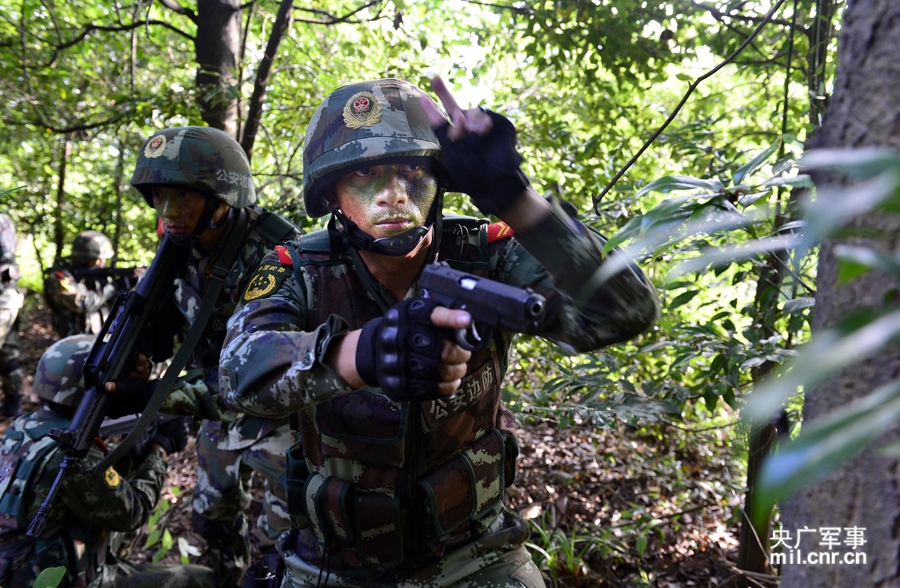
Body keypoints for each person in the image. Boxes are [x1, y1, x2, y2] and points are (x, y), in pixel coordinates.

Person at [218, 77, 660, 587]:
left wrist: (516, 200)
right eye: (363, 173)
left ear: (440, 181)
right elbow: (237, 373)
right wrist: (364, 353)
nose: (392, 195)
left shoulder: (490, 252)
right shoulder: (298, 268)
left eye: (413, 170)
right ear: (331, 193)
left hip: (477, 552)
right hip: (331, 561)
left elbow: (626, 311)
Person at [125, 126, 300, 587]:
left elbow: (267, 374)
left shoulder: (275, 257)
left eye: (183, 196)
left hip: (282, 417)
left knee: (287, 539)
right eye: (160, 196)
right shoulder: (180, 248)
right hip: (216, 410)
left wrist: (155, 395)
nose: (169, 211)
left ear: (223, 197)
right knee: (212, 519)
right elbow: (173, 333)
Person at [0, 334, 215, 587]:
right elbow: (132, 512)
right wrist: (161, 448)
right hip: (53, 577)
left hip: (17, 562)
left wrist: (132, 450)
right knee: (201, 579)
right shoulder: (71, 453)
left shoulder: (24, 426)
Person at [44, 230, 121, 337]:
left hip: (99, 335)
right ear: (84, 259)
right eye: (98, 259)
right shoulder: (60, 277)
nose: (102, 263)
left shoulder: (96, 274)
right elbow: (82, 304)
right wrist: (112, 287)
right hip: (73, 337)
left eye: (104, 259)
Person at [0, 212, 24, 417]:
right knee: (8, 353)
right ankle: (13, 403)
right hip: (9, 294)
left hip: (3, 298)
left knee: (8, 354)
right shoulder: (4, 219)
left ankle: (13, 402)